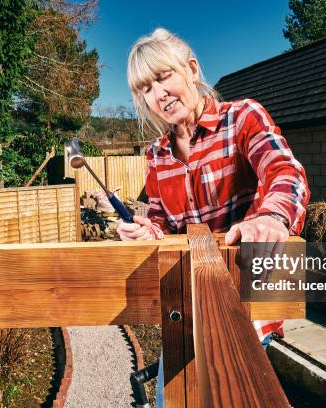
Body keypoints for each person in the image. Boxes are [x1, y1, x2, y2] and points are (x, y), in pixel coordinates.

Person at [118, 28, 310, 406]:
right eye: (145, 88)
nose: (157, 94)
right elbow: (162, 223)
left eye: (163, 77)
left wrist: (271, 218)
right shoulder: (156, 155)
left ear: (191, 69)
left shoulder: (242, 119)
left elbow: (286, 172)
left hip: (248, 300)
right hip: (185, 308)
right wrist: (148, 232)